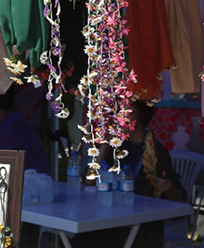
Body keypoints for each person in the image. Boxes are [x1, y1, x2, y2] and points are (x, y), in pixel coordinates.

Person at [73, 100, 186, 248]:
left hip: (143, 224)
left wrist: (167, 186)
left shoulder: (154, 150)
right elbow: (89, 181)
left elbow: (179, 197)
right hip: (110, 220)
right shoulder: (114, 148)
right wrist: (104, 147)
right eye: (119, 109)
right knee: (80, 239)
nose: (123, 114)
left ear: (142, 114)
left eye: (129, 108)